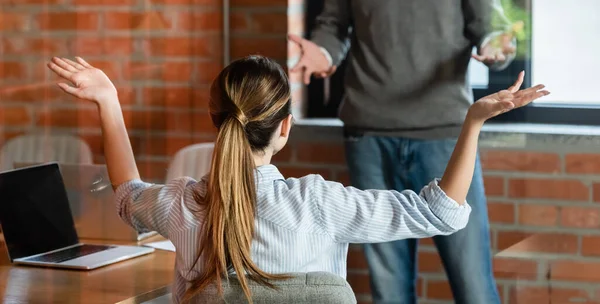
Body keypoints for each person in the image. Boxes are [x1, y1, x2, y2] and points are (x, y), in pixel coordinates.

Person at [47, 56, 547, 304]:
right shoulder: (321, 204)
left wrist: (108, 101)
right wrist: (474, 120)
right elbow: (442, 212)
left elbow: (125, 194)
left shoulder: (183, 205)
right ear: (284, 127)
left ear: (215, 121)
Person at [289, 0, 519, 302]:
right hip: (369, 139)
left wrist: (496, 45)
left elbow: (491, 25)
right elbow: (334, 24)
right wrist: (323, 54)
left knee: (474, 286)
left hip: (445, 137)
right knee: (389, 292)